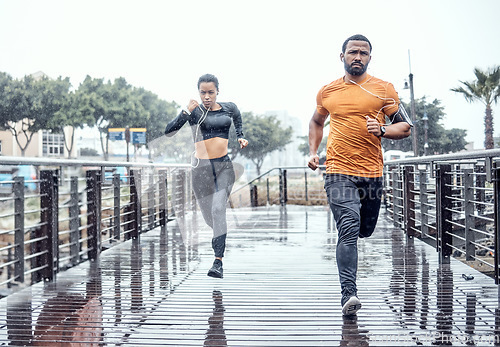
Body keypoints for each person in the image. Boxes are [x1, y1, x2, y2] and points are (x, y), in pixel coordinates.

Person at [307, 34, 411, 316]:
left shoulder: (384, 89)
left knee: (364, 229)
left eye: (363, 53)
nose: (358, 57)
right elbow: (317, 121)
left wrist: (383, 130)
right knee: (349, 226)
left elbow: (405, 127)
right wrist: (313, 151)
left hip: (372, 173)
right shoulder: (328, 91)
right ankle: (348, 294)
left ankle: (350, 283)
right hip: (338, 170)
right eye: (353, 52)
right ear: (342, 56)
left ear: (369, 58)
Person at [165, 73, 248, 279]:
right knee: (210, 217)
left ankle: (218, 261)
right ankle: (217, 236)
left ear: (218, 91)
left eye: (211, 92)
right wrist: (185, 112)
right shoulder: (194, 112)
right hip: (200, 170)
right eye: (203, 92)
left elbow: (237, 120)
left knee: (219, 208)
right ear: (199, 93)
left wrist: (240, 136)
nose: (207, 96)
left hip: (223, 167)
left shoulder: (230, 107)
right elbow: (168, 132)